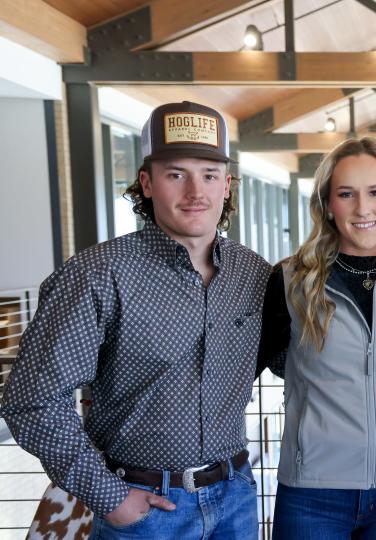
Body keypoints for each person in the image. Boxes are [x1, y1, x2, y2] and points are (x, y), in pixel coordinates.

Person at [0, 101, 271, 538]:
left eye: (210, 174)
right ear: (146, 183)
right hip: (143, 510)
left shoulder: (252, 273)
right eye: (175, 174)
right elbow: (33, 399)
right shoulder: (98, 274)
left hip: (236, 499)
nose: (195, 192)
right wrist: (110, 498)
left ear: (227, 186)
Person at [257, 137, 376, 539]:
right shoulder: (290, 282)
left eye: (375, 192)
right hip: (312, 496)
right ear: (327, 205)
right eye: (346, 194)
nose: (362, 208)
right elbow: (239, 372)